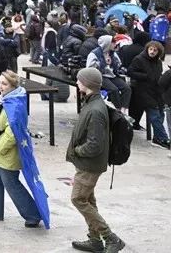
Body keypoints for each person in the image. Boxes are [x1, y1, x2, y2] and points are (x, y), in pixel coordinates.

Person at [68, 68, 126, 252]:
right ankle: (94, 240)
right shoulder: (92, 103)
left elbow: (95, 145)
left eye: (79, 80)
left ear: (87, 83)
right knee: (88, 199)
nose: (77, 83)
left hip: (90, 164)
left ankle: (110, 237)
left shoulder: (95, 110)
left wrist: (77, 150)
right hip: (86, 163)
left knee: (78, 198)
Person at [0, 70, 44, 228]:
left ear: (13, 86)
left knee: (11, 183)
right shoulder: (7, 99)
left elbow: (12, 133)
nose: (0, 86)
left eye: (4, 84)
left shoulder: (15, 105)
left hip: (6, 152)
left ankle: (33, 214)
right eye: (0, 83)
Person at [128, 41, 170, 149]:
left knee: (161, 113)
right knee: (154, 114)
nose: (152, 52)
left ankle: (157, 137)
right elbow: (131, 72)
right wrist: (145, 76)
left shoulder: (158, 62)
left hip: (156, 91)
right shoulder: (139, 59)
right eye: (150, 49)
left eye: (155, 50)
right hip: (143, 91)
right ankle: (163, 138)